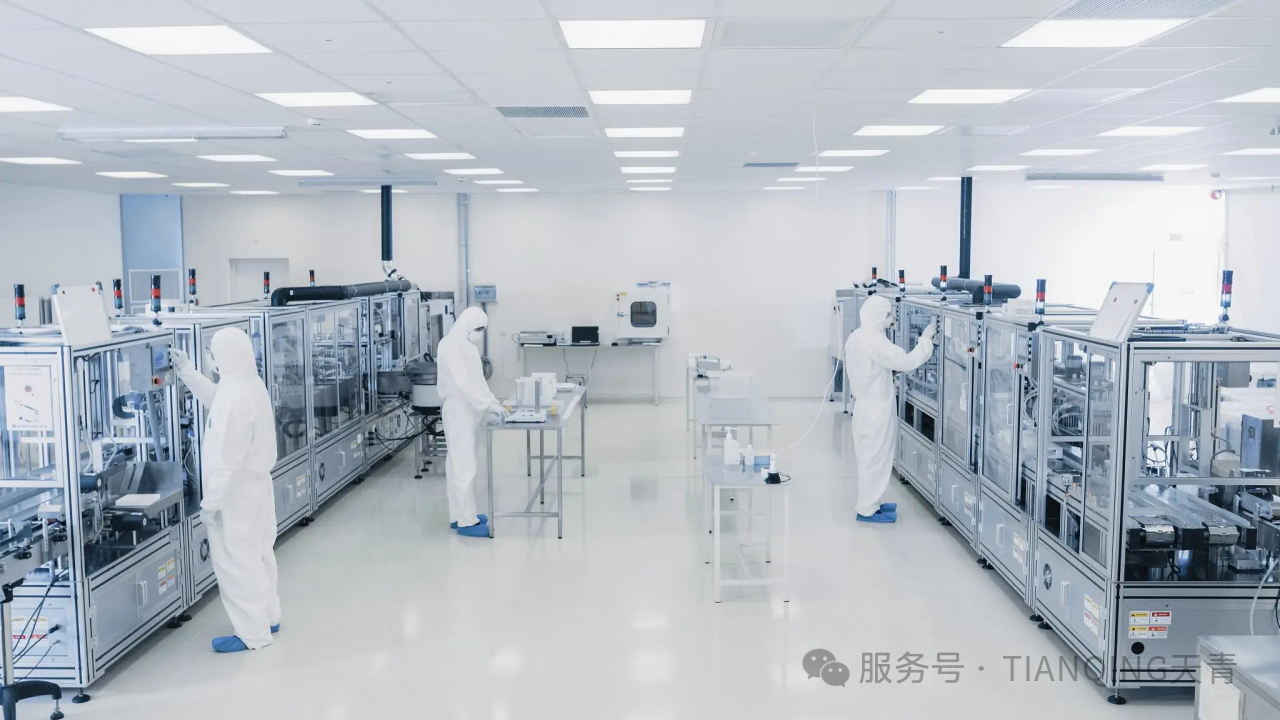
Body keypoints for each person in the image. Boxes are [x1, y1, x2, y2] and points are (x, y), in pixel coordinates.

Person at [170, 328, 281, 653]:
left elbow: (225, 460)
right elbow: (215, 397)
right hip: (256, 488)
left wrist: (211, 504)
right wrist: (187, 371)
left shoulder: (235, 399)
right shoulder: (248, 384)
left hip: (236, 494)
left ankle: (252, 633)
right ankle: (268, 616)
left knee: (236, 563)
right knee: (259, 555)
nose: (211, 357)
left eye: (213, 352)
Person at [844, 295, 936, 524]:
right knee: (875, 457)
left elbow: (874, 367)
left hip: (866, 406)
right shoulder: (874, 340)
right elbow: (906, 361)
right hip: (876, 409)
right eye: (888, 315)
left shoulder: (857, 336)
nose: (891, 318)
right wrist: (926, 341)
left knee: (871, 456)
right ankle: (866, 509)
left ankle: (872, 502)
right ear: (878, 316)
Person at [437, 307, 508, 537]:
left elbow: (478, 381)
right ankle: (467, 522)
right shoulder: (451, 345)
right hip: (458, 409)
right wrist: (487, 405)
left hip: (466, 409)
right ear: (466, 325)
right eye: (478, 329)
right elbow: (464, 383)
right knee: (464, 465)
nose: (480, 333)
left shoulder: (465, 345)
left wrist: (492, 402)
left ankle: (459, 515)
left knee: (457, 464)